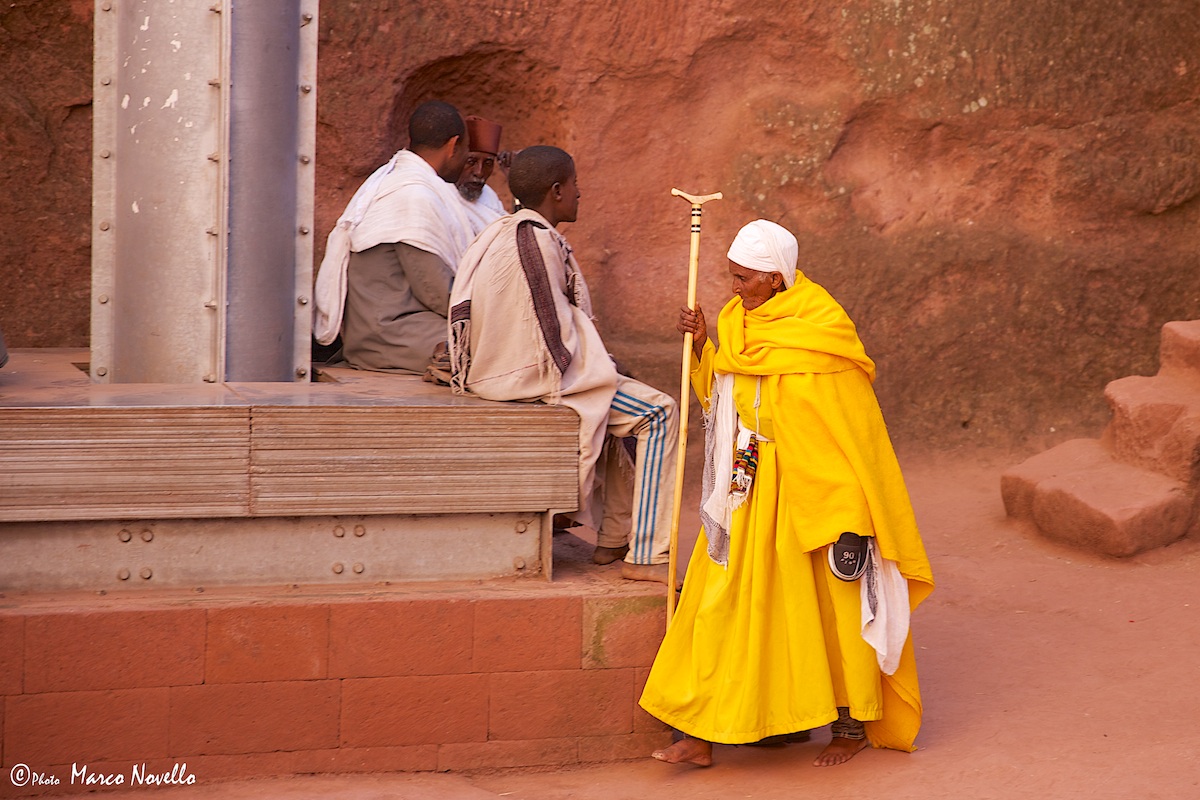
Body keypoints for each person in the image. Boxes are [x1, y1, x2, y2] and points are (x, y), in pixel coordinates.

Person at [639, 220, 934, 766]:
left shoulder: (821, 331)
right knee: (722, 601)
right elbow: (721, 399)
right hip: (746, 486)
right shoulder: (738, 325)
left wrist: (855, 513)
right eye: (731, 276)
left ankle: (850, 728)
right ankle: (701, 734)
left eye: (744, 277)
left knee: (832, 606)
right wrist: (704, 346)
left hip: (817, 494)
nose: (733, 288)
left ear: (775, 278)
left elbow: (854, 434)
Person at [448, 146, 680, 584]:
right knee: (658, 412)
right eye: (574, 184)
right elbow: (550, 337)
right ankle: (648, 555)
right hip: (527, 380)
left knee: (621, 394)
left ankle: (613, 537)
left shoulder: (509, 231)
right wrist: (602, 371)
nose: (580, 192)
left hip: (508, 373)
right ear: (556, 191)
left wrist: (606, 367)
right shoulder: (533, 240)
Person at [312, 100, 473, 374]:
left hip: (395, 327)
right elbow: (437, 293)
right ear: (453, 145)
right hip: (389, 334)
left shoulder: (399, 181)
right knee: (499, 347)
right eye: (467, 151)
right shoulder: (413, 195)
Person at [456, 115, 507, 235]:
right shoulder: (440, 195)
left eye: (488, 163)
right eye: (471, 162)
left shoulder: (489, 195)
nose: (479, 172)